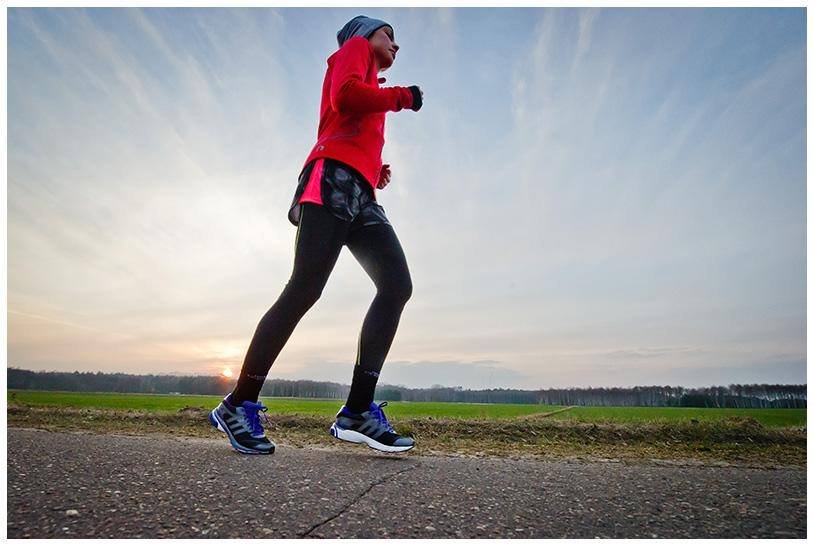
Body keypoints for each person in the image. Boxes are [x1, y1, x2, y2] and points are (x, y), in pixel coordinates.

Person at [209, 15, 423, 455]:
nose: (396, 46)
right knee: (304, 289)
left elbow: (339, 122)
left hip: (358, 191)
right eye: (390, 35)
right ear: (367, 35)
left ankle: (357, 412)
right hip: (329, 182)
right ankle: (238, 403)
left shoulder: (371, 76)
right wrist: (402, 97)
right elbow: (345, 98)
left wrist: (374, 169)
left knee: (396, 285)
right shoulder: (355, 51)